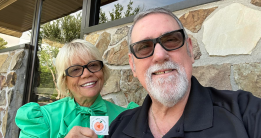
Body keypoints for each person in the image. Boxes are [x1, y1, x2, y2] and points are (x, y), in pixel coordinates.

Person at [106, 7, 261, 138]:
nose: (160, 55)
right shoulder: (117, 128)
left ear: (190, 49)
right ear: (132, 65)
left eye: (171, 40)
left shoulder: (245, 113)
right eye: (143, 47)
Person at [15, 39, 137, 138]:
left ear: (102, 71)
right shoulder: (44, 119)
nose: (86, 74)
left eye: (93, 65)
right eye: (75, 69)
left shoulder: (127, 118)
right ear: (65, 81)